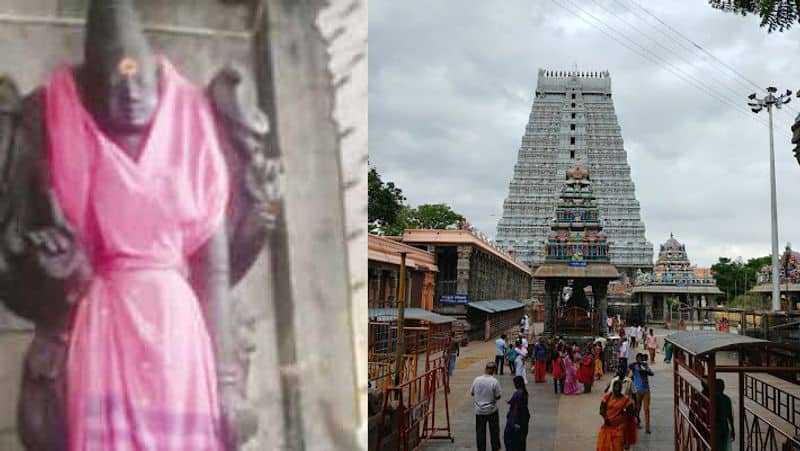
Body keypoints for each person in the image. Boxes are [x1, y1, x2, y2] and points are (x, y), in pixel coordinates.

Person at [596, 379, 636, 451]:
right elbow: (601, 409)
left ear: (621, 388)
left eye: (619, 387)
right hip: (607, 427)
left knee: (617, 446)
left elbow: (631, 413)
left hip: (619, 428)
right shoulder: (607, 397)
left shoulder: (625, 400)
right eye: (616, 387)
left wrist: (622, 416)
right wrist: (605, 418)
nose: (617, 389)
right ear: (613, 387)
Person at [472, 361, 503, 451]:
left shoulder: (476, 379)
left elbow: (472, 392)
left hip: (479, 410)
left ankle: (481, 448)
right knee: (494, 431)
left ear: (485, 369)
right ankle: (495, 448)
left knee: (480, 432)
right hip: (491, 410)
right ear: (494, 371)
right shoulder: (494, 381)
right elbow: (498, 396)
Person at [503, 376, 531, 451]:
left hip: (516, 422)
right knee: (521, 443)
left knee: (511, 441)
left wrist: (513, 423)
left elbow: (516, 408)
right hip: (523, 422)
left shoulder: (518, 394)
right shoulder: (525, 393)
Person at [630, 353, 654, 433]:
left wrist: (646, 369)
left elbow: (652, 373)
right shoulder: (635, 366)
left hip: (646, 390)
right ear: (637, 359)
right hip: (638, 390)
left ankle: (647, 428)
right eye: (639, 358)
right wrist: (636, 363)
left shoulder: (645, 366)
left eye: (641, 358)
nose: (640, 359)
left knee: (646, 409)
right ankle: (637, 423)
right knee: (638, 408)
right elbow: (629, 367)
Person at [715, 378, 735, 451]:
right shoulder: (726, 398)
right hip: (724, 426)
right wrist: (732, 429)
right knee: (724, 446)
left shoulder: (712, 398)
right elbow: (730, 416)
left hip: (716, 426)